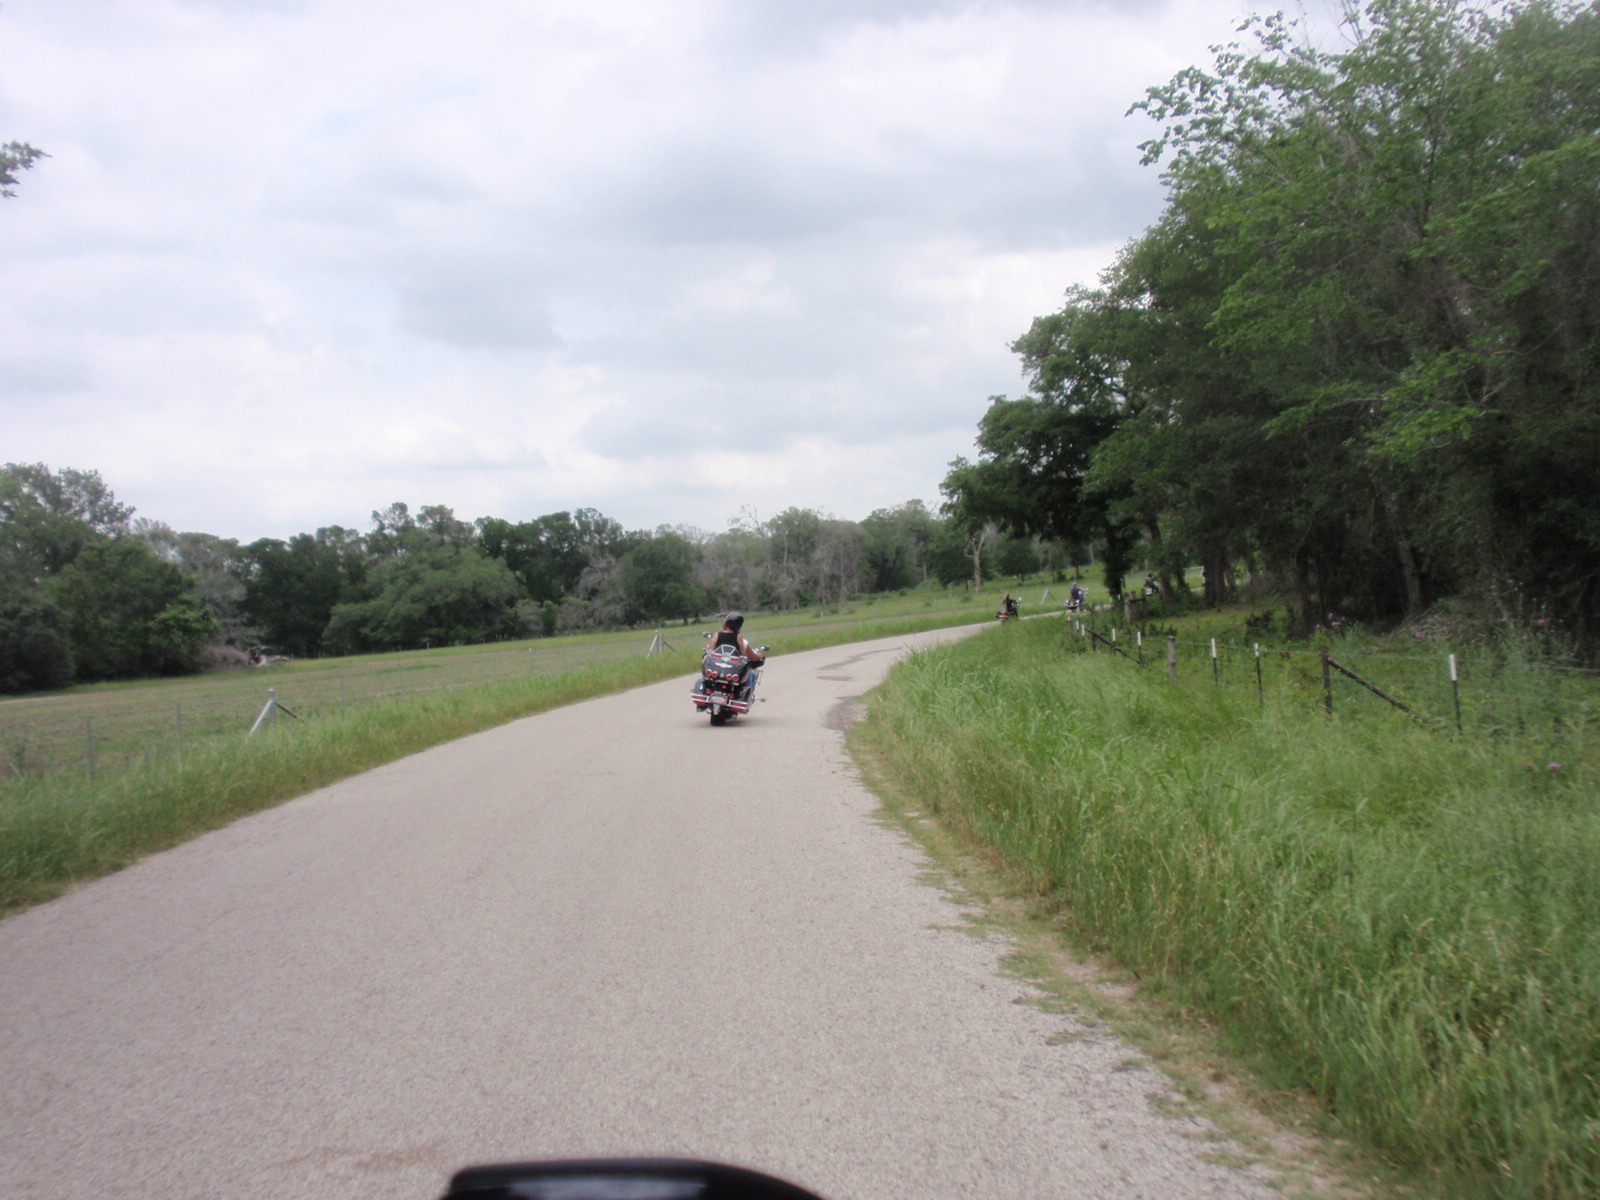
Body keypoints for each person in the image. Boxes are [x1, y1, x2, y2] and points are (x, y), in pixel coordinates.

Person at [708, 611, 765, 689]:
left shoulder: (717, 635)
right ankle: (746, 692)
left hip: (717, 668)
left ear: (726, 623)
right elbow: (743, 654)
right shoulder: (739, 637)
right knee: (750, 675)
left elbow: (711, 651)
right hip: (733, 669)